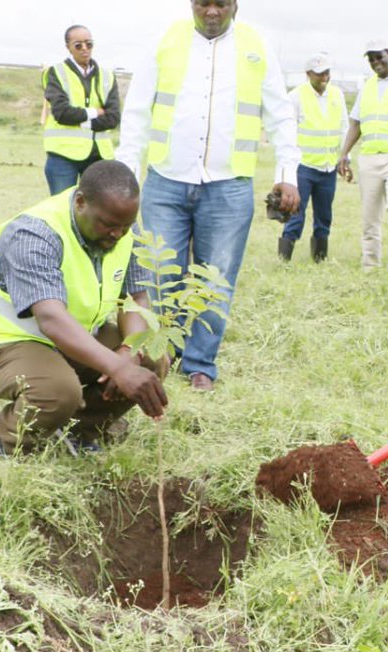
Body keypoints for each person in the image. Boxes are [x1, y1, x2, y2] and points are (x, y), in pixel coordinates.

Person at [115, 0, 300, 392]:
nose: (212, 11)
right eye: (203, 3)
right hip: (166, 180)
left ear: (236, 5)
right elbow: (136, 111)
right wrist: (127, 172)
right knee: (161, 276)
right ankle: (160, 354)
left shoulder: (257, 45)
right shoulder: (165, 41)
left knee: (215, 282)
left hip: (229, 185)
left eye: (221, 3)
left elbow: (281, 115)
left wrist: (287, 174)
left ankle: (199, 364)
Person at [0, 161, 168, 456]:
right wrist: (117, 367)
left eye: (125, 226)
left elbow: (136, 298)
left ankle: (78, 430)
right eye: (108, 225)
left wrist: (129, 352)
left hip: (72, 339)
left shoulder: (122, 228)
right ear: (80, 202)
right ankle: (12, 440)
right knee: (58, 391)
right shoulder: (34, 234)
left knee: (151, 356)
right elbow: (51, 318)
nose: (118, 235)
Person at [337, 40, 388, 270]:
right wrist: (343, 154)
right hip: (369, 159)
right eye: (371, 59)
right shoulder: (366, 87)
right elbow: (355, 124)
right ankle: (370, 265)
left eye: (379, 56)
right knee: (369, 219)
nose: (376, 62)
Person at [280, 52, 347, 263]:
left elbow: (344, 127)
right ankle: (284, 258)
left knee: (324, 216)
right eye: (319, 74)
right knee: (296, 215)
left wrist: (345, 157)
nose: (324, 77)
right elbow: (287, 132)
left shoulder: (337, 95)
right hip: (304, 167)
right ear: (308, 74)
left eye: (326, 72)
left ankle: (320, 258)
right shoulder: (295, 97)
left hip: (328, 167)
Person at [42, 25, 121, 195]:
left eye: (89, 44)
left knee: (97, 212)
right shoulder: (56, 73)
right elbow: (62, 113)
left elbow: (113, 118)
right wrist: (95, 112)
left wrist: (81, 122)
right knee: (62, 209)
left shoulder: (107, 76)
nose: (84, 49)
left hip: (99, 156)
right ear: (68, 47)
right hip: (63, 155)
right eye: (78, 45)